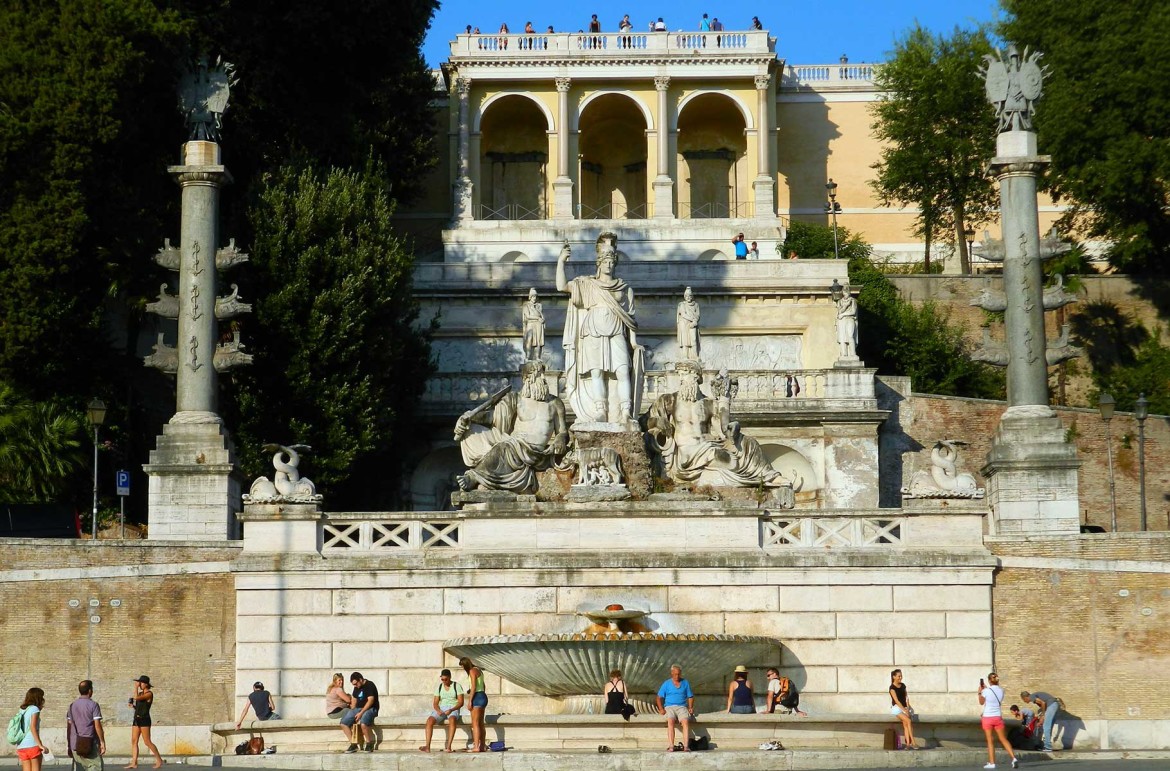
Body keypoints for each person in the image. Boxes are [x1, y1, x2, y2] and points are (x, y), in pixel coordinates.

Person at [557, 233, 642, 425]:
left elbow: (630, 318)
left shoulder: (624, 288)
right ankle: (600, 411)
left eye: (612, 261)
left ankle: (626, 412)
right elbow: (561, 286)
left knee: (622, 371)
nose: (609, 265)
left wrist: (634, 342)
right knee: (596, 372)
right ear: (599, 263)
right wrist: (561, 261)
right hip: (592, 330)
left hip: (616, 330)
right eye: (606, 261)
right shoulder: (587, 284)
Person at [454, 359, 569, 493]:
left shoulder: (555, 403)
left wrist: (560, 439)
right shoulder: (516, 399)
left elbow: (562, 431)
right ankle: (481, 479)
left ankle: (474, 477)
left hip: (536, 452)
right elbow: (491, 417)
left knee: (503, 448)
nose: (543, 378)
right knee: (474, 430)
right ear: (527, 378)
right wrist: (469, 418)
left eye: (543, 374)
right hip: (515, 443)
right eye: (538, 374)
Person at [979, 673, 1019, 769]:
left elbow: (981, 702)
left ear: (989, 681)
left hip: (987, 717)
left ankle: (992, 763)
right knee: (1003, 739)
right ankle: (1013, 758)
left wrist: (980, 692)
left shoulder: (986, 691)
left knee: (990, 740)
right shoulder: (1001, 690)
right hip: (998, 717)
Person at [420, 669, 465, 753]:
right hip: (442, 707)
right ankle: (427, 746)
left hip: (453, 707)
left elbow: (461, 702)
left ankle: (449, 746)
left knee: (452, 719)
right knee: (429, 720)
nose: (444, 681)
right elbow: (435, 703)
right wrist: (438, 710)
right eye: (442, 679)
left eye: (446, 679)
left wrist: (451, 709)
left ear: (450, 677)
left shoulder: (457, 686)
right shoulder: (439, 687)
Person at [67, 680, 106, 771]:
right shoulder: (93, 705)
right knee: (96, 767)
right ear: (90, 691)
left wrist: (69, 745)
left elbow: (69, 727)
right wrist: (102, 742)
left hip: (75, 743)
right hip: (90, 743)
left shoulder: (72, 706)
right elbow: (97, 725)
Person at [655, 664, 694, 752]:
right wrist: (661, 708)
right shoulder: (666, 683)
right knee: (670, 721)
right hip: (669, 707)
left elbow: (690, 696)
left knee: (685, 722)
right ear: (671, 673)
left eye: (679, 674)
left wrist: (691, 707)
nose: (677, 676)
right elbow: (658, 697)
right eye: (675, 674)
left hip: (682, 707)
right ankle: (671, 745)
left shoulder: (685, 683)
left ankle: (686, 746)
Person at [126, 676, 162, 769]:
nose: (139, 685)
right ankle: (134, 762)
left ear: (146, 684)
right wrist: (133, 706)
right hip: (136, 719)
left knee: (147, 741)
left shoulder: (149, 694)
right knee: (134, 741)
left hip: (144, 719)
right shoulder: (141, 694)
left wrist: (135, 688)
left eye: (141, 683)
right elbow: (139, 705)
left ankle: (159, 759)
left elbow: (137, 698)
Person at [339, 672, 379, 753]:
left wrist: (361, 713)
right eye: (353, 684)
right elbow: (354, 699)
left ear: (360, 680)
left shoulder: (369, 685)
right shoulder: (356, 687)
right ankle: (353, 744)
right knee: (343, 723)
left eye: (356, 683)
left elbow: (370, 701)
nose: (355, 686)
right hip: (358, 708)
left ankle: (369, 743)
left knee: (363, 723)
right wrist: (352, 711)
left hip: (370, 708)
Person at [15, 688, 48, 771]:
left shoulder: (22, 709)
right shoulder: (34, 709)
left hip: (21, 745)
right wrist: (40, 745)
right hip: (32, 744)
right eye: (42, 696)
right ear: (38, 697)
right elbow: (32, 727)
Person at [459, 657, 488, 753]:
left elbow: (474, 687)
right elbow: (483, 686)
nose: (463, 668)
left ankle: (476, 746)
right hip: (483, 696)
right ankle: (482, 746)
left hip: (477, 697)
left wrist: (470, 701)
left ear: (465, 665)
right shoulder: (479, 670)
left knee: (475, 724)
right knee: (481, 723)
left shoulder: (471, 671)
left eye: (463, 666)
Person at [889, 669, 917, 750]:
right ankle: (913, 742)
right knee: (908, 721)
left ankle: (908, 744)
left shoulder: (903, 685)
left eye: (901, 676)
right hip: (897, 708)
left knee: (906, 724)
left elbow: (906, 697)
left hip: (904, 707)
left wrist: (907, 708)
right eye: (899, 676)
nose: (900, 677)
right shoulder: (892, 688)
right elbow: (897, 701)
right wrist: (905, 711)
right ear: (894, 677)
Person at [675, 286, 700, 361]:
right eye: (686, 296)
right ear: (684, 297)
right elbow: (683, 314)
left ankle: (695, 356)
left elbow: (698, 314)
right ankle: (685, 356)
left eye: (690, 296)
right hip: (684, 324)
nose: (688, 297)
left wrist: (695, 321)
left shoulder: (696, 305)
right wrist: (693, 320)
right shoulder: (681, 304)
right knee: (685, 340)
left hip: (693, 324)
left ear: (692, 297)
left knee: (694, 339)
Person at [521, 287, 545, 361]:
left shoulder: (539, 305)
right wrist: (537, 318)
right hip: (531, 324)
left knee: (538, 341)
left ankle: (537, 357)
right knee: (529, 340)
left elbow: (541, 314)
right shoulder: (526, 305)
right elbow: (528, 316)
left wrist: (542, 319)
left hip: (539, 324)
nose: (534, 298)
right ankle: (528, 357)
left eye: (535, 296)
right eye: (533, 296)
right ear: (530, 297)